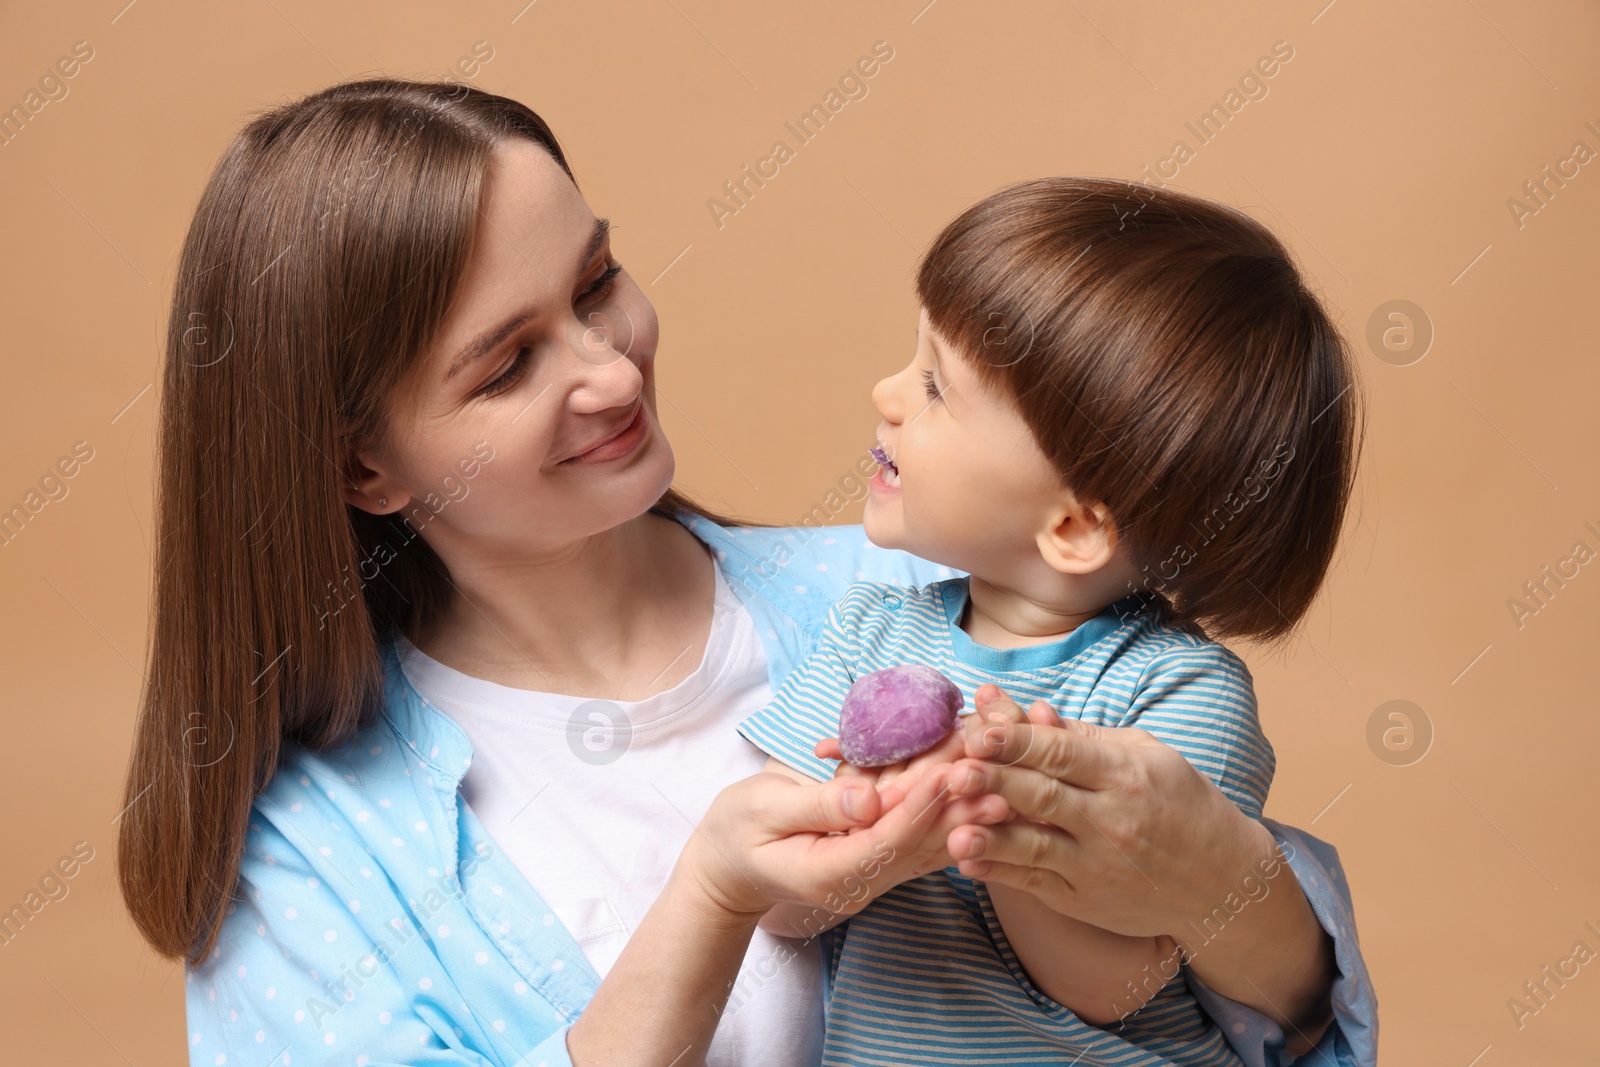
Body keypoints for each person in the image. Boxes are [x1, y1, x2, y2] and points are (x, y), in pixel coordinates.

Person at [115, 78, 1373, 1067]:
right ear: (364, 471)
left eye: (597, 283)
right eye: (506, 365)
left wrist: (1219, 880)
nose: (609, 371)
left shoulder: (902, 593)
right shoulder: (310, 854)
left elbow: (1287, 1022)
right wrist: (710, 894)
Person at [740, 177, 1372, 1065]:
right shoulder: (868, 633)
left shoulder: (1179, 689)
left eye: (935, 386)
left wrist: (1000, 816)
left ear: (1072, 527)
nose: (885, 392)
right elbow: (779, 901)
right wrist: (883, 813)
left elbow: (1112, 986)